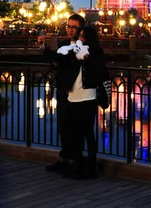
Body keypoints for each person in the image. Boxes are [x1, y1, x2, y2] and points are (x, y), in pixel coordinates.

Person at [65, 26, 108, 179]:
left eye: (83, 36)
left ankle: (91, 166)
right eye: (80, 36)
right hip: (73, 96)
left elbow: (99, 70)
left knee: (88, 132)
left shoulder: (96, 53)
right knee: (75, 133)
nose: (80, 39)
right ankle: (75, 165)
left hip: (88, 97)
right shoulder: (76, 50)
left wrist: (87, 57)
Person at [45, 13, 86, 174]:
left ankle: (75, 161)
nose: (70, 30)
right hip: (63, 90)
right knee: (63, 125)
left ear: (80, 29)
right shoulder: (64, 44)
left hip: (78, 93)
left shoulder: (83, 46)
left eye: (73, 27)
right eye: (68, 26)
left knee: (76, 127)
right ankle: (64, 158)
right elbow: (58, 63)